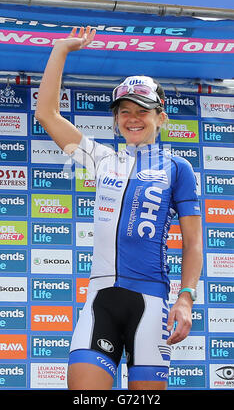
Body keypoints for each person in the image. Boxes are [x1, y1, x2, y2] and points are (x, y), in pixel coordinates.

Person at [35, 26, 203, 391]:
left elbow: (193, 244)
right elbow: (47, 114)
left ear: (160, 116)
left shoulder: (178, 169)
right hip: (101, 300)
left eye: (142, 110)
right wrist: (61, 49)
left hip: (151, 301)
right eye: (124, 110)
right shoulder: (102, 160)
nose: (132, 118)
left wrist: (186, 299)